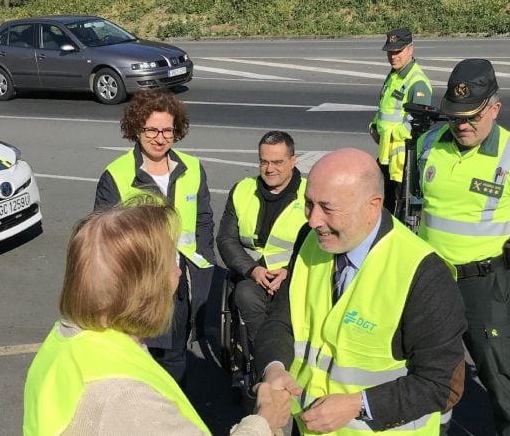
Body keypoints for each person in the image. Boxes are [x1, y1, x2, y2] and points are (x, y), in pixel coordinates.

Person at [23, 199, 292, 435]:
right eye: (170, 264)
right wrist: (264, 423)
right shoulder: (125, 395)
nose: (177, 274)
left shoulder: (70, 339)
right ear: (141, 288)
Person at [255, 148, 467, 434]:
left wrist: (360, 404)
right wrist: (274, 369)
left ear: (372, 206)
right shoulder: (311, 239)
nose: (313, 219)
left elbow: (440, 384)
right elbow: (281, 319)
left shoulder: (423, 273)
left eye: (328, 208)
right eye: (308, 203)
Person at [415, 59, 510, 436]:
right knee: (433, 366)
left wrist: (489, 255)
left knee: (495, 368)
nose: (463, 125)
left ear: (495, 108)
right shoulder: (427, 145)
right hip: (432, 282)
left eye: (473, 116)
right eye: (456, 117)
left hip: (484, 285)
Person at [95, 90, 216, 385]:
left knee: (175, 357)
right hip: (139, 284)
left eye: (167, 130)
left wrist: (203, 265)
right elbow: (104, 237)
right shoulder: (117, 174)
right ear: (137, 128)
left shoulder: (192, 168)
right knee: (140, 357)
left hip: (180, 282)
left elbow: (203, 221)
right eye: (151, 129)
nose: (160, 138)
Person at [216, 131, 307, 340]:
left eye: (277, 162)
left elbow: (320, 243)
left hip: (293, 277)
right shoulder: (242, 189)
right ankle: (263, 349)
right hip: (253, 276)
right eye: (264, 162)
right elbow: (226, 239)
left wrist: (289, 271)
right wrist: (252, 270)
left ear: (293, 160)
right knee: (245, 294)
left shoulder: (310, 193)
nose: (269, 169)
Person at [369, 27, 432, 207]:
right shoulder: (394, 76)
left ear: (410, 49)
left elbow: (418, 124)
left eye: (398, 51)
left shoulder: (417, 82)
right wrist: (374, 127)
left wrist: (389, 135)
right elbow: (385, 108)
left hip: (403, 161)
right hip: (386, 155)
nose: (393, 56)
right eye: (390, 52)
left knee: (397, 208)